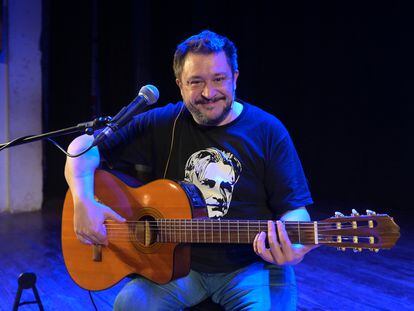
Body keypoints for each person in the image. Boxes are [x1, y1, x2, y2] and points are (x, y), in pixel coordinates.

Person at [65, 30, 316, 310]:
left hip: (252, 268)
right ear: (180, 85)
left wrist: (293, 249)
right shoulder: (163, 122)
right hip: (178, 267)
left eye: (219, 79)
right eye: (196, 82)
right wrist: (84, 200)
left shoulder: (267, 131)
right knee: (129, 304)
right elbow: (83, 147)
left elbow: (295, 209)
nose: (208, 93)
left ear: (235, 77)